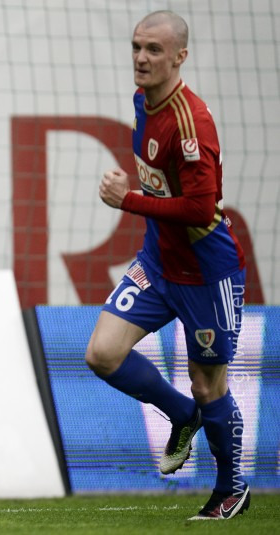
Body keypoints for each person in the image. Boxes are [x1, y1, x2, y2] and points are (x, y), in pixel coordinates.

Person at [85, 11, 250, 520]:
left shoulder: (191, 122)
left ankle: (231, 490)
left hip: (205, 273)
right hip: (157, 262)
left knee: (208, 384)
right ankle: (183, 415)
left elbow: (201, 209)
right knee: (102, 354)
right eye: (137, 46)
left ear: (180, 56)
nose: (141, 57)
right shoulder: (142, 101)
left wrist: (128, 201)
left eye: (154, 49)